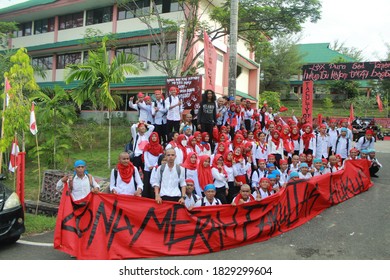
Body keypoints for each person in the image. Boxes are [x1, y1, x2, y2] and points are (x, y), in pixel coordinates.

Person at [142, 132, 164, 198]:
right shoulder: (147, 146)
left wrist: (155, 166)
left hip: (155, 168)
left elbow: (160, 158)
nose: (154, 138)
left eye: (155, 136)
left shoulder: (160, 147)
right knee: (146, 182)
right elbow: (145, 156)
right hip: (147, 168)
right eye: (152, 136)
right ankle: (145, 196)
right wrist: (149, 166)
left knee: (154, 183)